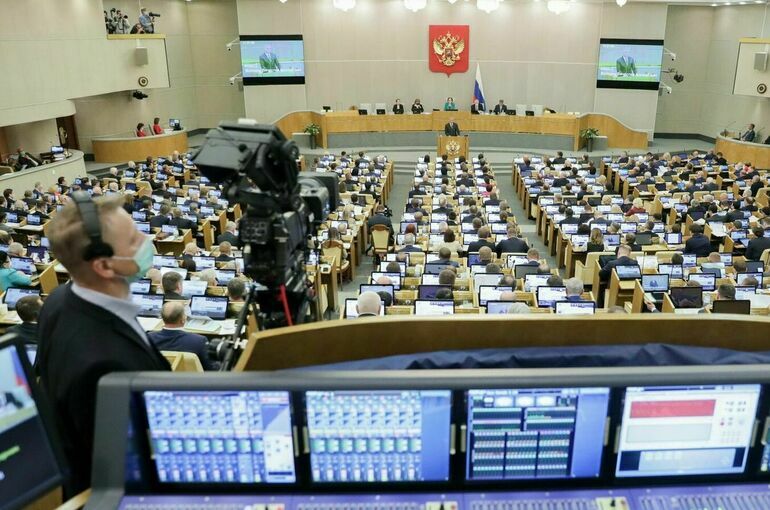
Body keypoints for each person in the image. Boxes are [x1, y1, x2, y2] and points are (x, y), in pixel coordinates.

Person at [36, 193, 170, 492]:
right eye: (134, 240)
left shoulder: (59, 299)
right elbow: (127, 465)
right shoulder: (104, 366)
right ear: (105, 266)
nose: (147, 240)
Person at [148, 302, 219, 370]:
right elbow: (210, 368)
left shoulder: (149, 339)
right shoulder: (199, 341)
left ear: (162, 318)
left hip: (159, 377)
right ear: (183, 319)